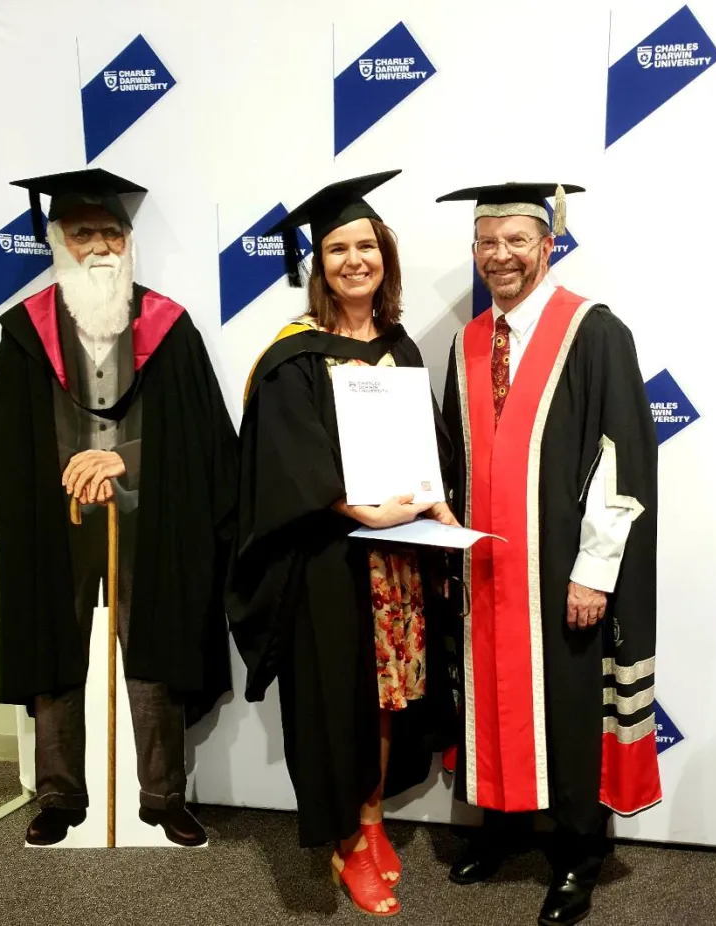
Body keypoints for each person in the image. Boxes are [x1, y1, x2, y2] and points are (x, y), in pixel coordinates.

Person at [228, 170, 457, 916]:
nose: (355, 259)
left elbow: (426, 444)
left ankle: (372, 818)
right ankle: (346, 845)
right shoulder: (295, 355)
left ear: (384, 255)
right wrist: (353, 505)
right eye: (337, 249)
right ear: (317, 265)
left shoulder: (399, 346)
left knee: (390, 697)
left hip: (398, 560)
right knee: (340, 703)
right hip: (328, 561)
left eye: (366, 245)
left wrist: (437, 500)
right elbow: (285, 463)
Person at [437, 182, 661, 925]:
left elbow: (619, 459)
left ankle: (577, 855)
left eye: (516, 240)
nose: (500, 255)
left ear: (548, 243)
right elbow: (448, 458)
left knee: (566, 709)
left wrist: (593, 572)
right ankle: (499, 827)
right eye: (487, 242)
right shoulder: (470, 341)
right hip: (486, 573)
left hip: (560, 570)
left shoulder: (592, 331)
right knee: (493, 702)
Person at [0, 169, 236, 847]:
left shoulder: (168, 326)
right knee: (55, 646)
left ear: (128, 243)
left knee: (155, 644)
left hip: (150, 520)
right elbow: (10, 443)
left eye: (111, 233)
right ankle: (61, 795)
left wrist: (123, 456)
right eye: (82, 233)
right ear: (59, 244)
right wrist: (68, 468)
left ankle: (163, 796)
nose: (99, 247)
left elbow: (200, 438)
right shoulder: (23, 332)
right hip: (55, 521)